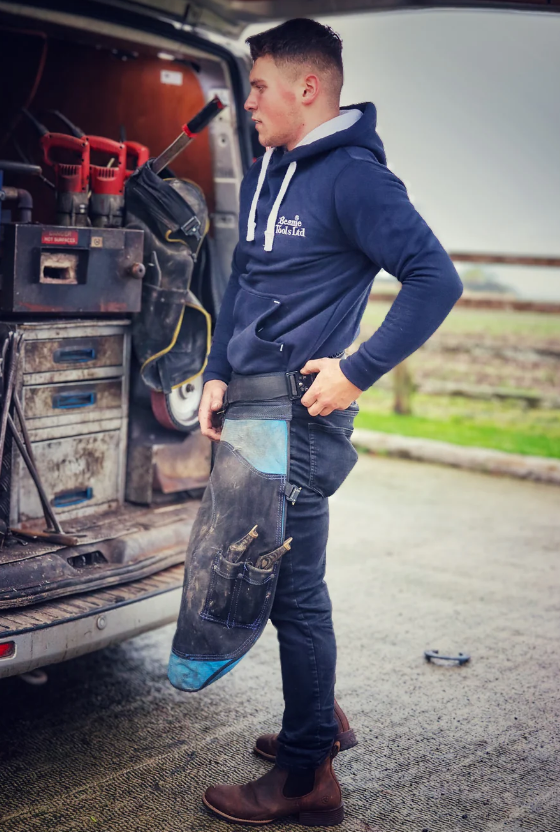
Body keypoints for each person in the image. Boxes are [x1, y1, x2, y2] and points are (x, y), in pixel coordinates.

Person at [197, 17, 463, 826]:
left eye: (260, 87)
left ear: (308, 88)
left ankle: (309, 773)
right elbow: (244, 279)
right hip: (252, 403)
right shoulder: (269, 170)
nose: (248, 102)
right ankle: (321, 721)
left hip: (302, 417)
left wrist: (357, 370)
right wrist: (216, 371)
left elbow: (435, 279)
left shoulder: (354, 179)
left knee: (295, 591)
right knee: (280, 583)